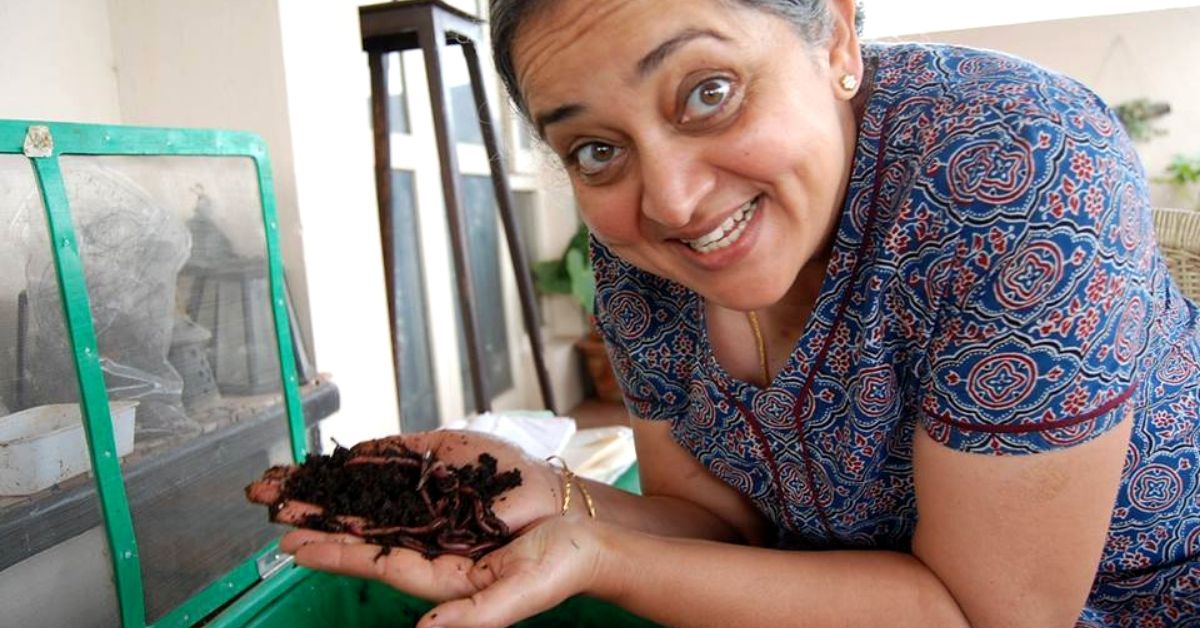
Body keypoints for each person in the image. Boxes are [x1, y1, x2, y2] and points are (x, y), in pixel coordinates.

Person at [257, 1, 1200, 625]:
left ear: (834, 39)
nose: (668, 201)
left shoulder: (1013, 165)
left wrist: (605, 561)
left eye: (708, 92)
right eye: (593, 148)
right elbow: (719, 530)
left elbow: (996, 614)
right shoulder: (633, 257)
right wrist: (551, 496)